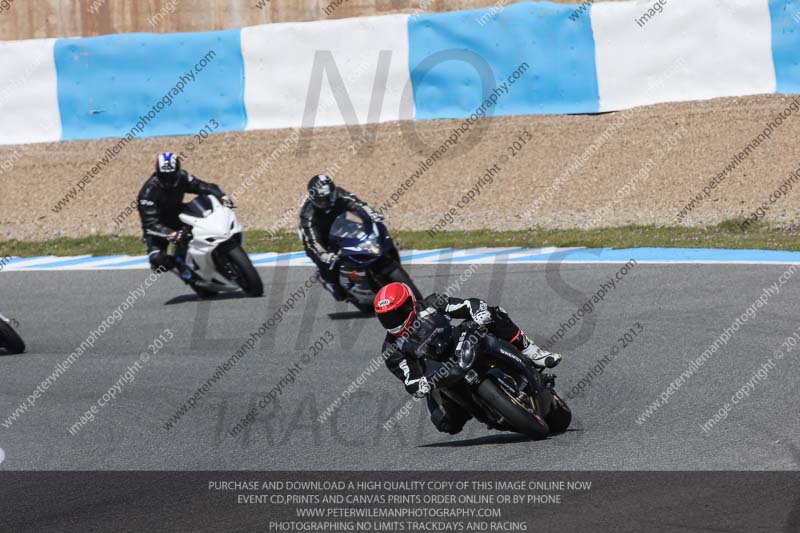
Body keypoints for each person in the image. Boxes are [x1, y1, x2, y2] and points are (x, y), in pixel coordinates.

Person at [374, 282, 562, 435]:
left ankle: (532, 351)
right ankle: (477, 409)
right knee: (446, 424)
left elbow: (467, 305)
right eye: (386, 318)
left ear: (410, 304)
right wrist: (419, 385)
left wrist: (478, 312)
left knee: (494, 313)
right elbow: (409, 378)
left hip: (458, 340)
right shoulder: (391, 348)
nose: (393, 321)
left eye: (396, 314)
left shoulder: (432, 303)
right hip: (437, 371)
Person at [137, 153, 233, 283]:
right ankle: (181, 267)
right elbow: (150, 223)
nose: (168, 180)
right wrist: (170, 233)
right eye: (164, 176)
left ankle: (217, 252)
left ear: (177, 171)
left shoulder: (183, 176)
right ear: (157, 172)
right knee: (157, 260)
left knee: (205, 227)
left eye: (171, 176)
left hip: (178, 215)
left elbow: (203, 186)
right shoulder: (147, 192)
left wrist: (222, 196)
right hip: (158, 227)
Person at [298, 174, 384, 300]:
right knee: (327, 264)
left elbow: (358, 204)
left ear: (333, 193)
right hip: (319, 236)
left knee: (369, 236)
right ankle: (331, 283)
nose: (327, 203)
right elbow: (313, 240)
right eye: (322, 200)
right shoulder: (307, 214)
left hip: (340, 225)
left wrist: (371, 214)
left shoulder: (340, 194)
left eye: (329, 198)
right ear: (313, 199)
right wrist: (322, 253)